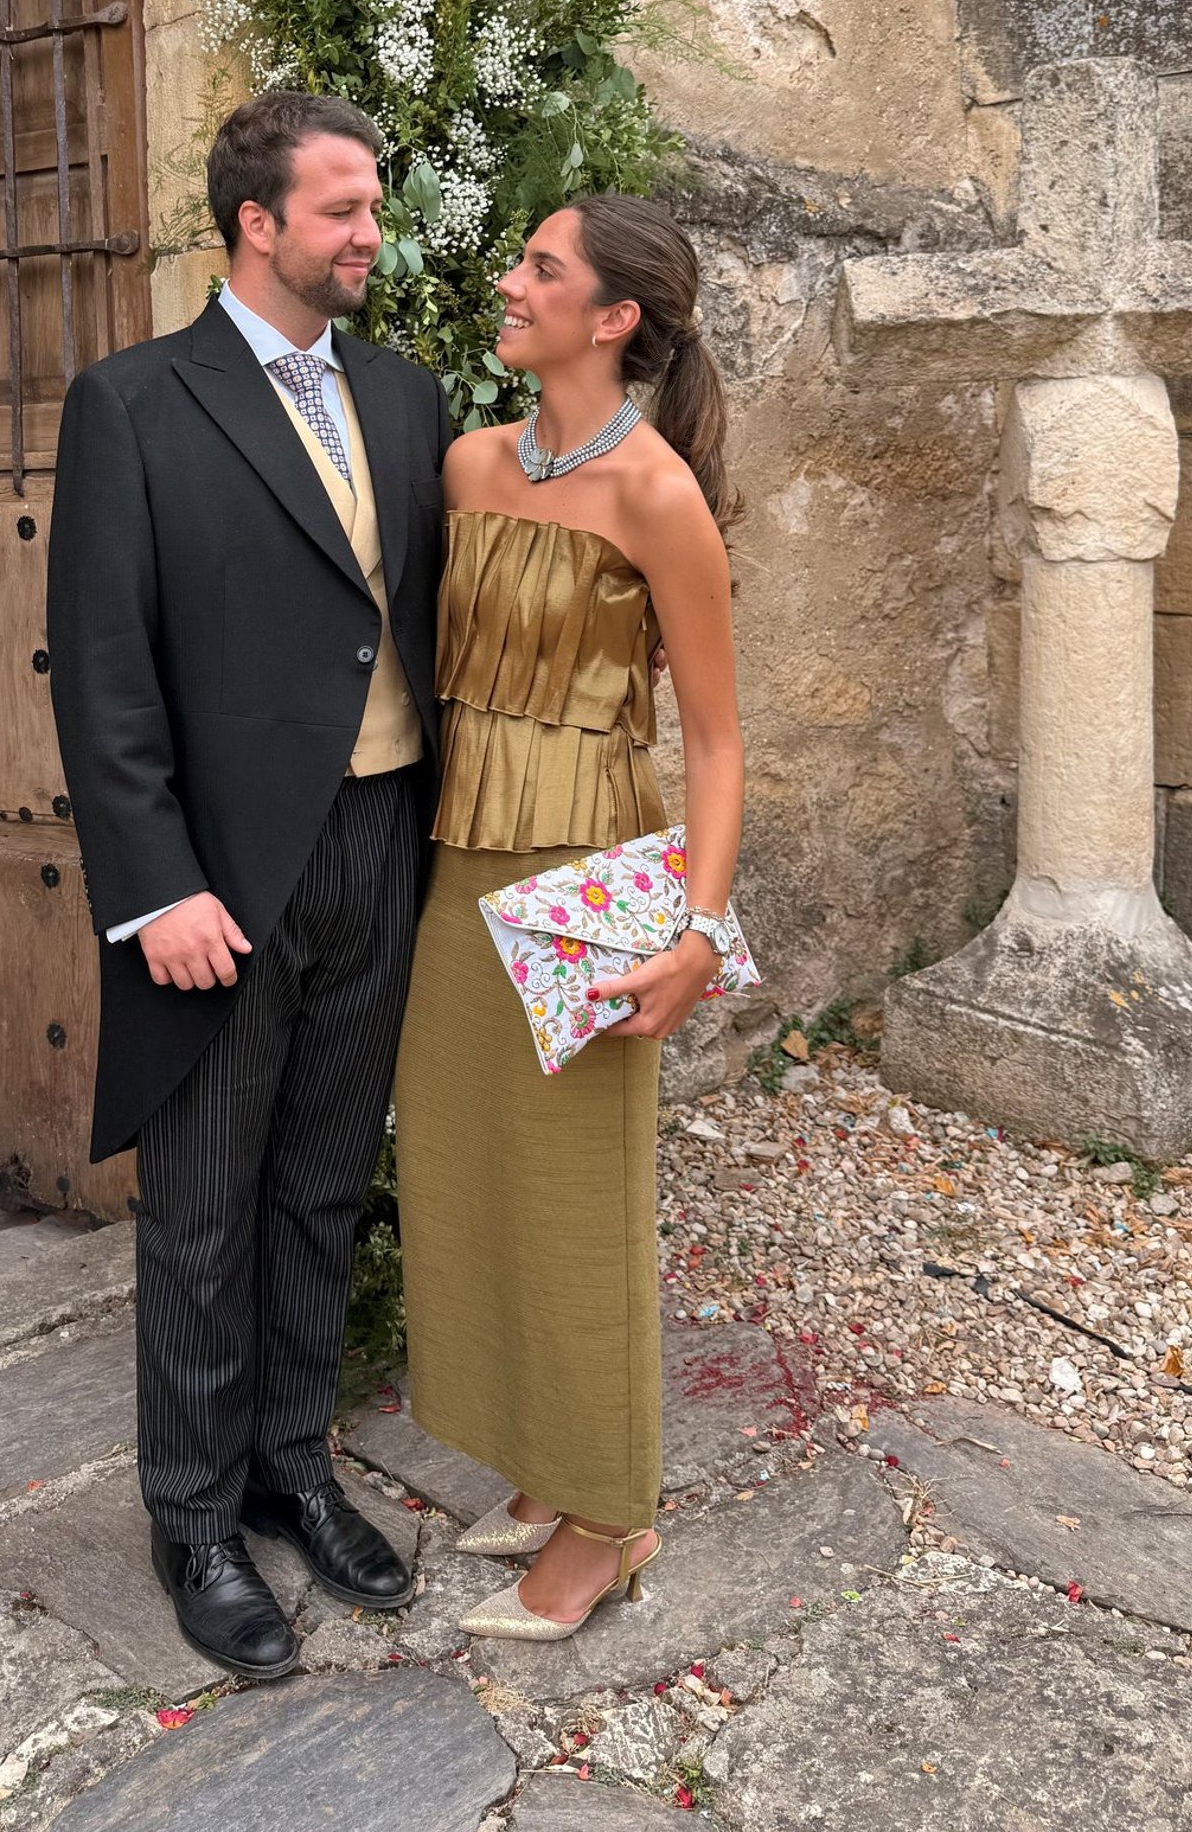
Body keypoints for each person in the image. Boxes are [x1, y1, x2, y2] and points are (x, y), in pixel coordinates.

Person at [46, 91, 447, 1681]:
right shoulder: (137, 404)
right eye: (342, 210)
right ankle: (194, 1520)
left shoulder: (407, 400)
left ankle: (294, 1466)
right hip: (218, 885)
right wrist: (156, 888)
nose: (370, 236)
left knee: (323, 1191)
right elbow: (101, 668)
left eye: (372, 208)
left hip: (379, 845)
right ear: (255, 224)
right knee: (202, 1215)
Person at [392, 192, 745, 1641]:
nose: (509, 278)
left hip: (590, 876)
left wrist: (697, 932)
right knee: (476, 1174)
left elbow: (720, 741)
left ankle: (610, 1519)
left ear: (612, 321)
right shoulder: (472, 462)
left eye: (541, 267)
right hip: (458, 852)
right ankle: (545, 1465)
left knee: (583, 1193)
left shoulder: (657, 494)